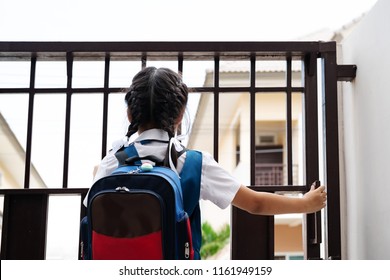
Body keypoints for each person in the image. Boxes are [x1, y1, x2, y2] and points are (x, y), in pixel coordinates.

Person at [85, 66, 326, 257]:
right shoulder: (194, 164)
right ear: (180, 115)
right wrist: (306, 203)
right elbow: (255, 204)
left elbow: (91, 204)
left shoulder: (114, 158)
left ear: (130, 114)